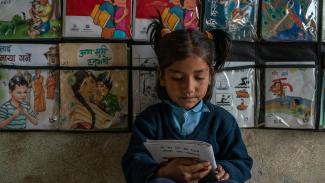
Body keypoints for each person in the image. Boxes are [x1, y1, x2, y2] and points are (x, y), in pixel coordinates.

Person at [122, 17, 252, 183]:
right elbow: (132, 163)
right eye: (177, 78)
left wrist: (225, 169)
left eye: (199, 77)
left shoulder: (222, 121)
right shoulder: (149, 121)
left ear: (210, 76)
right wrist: (162, 172)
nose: (189, 88)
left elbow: (242, 162)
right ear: (162, 76)